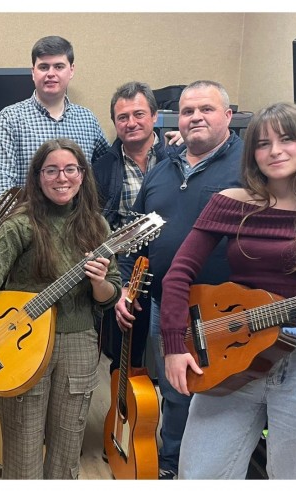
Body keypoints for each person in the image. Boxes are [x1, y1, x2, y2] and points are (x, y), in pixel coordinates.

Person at [159, 101, 296, 479]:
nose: (274, 151)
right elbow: (178, 274)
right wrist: (175, 345)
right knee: (200, 474)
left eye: (287, 139)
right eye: (262, 143)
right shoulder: (230, 203)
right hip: (229, 353)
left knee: (292, 477)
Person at [0, 138, 120, 479]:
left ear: (82, 174)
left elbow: (109, 296)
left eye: (70, 169)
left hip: (78, 343)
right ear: (38, 176)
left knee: (67, 445)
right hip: (21, 348)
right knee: (22, 444)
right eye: (52, 170)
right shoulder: (19, 225)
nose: (62, 178)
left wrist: (100, 281)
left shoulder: (97, 227)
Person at [115, 80, 243, 480]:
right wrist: (125, 287)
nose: (195, 117)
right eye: (187, 111)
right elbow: (138, 235)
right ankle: (171, 464)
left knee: (223, 392)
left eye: (206, 109)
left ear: (228, 116)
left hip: (225, 308)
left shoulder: (247, 168)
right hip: (162, 304)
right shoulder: (162, 170)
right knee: (175, 387)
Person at [93, 81, 169, 376]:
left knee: (170, 353)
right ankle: (127, 414)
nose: (131, 123)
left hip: (170, 266)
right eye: (122, 117)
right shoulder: (101, 169)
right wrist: (118, 282)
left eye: (139, 114)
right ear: (114, 123)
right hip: (127, 270)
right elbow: (97, 226)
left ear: (154, 116)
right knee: (127, 357)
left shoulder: (179, 158)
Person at [0, 35, 109, 202]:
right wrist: (21, 225)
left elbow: (107, 172)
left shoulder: (88, 120)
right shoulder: (10, 118)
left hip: (78, 225)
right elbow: (1, 185)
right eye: (43, 67)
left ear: (71, 70)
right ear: (33, 72)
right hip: (27, 224)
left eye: (59, 66)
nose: (51, 74)